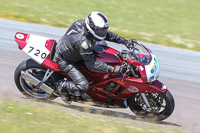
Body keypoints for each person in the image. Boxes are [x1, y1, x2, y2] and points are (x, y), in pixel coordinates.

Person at [54, 11, 136, 98]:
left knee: (105, 50)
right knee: (83, 86)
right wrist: (113, 69)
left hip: (73, 49)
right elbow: (91, 65)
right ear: (91, 28)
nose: (103, 33)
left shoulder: (83, 24)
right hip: (66, 60)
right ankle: (60, 85)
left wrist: (125, 41)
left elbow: (107, 35)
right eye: (101, 31)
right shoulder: (83, 42)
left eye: (104, 29)